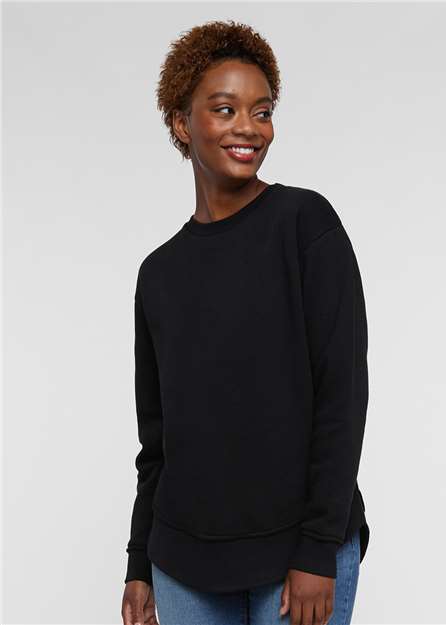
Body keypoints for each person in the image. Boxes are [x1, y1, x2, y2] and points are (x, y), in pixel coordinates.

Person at [121, 19, 370, 625]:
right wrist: (138, 563)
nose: (249, 128)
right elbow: (159, 439)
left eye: (262, 112)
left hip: (297, 556)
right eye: (225, 109)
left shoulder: (305, 225)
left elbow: (342, 395)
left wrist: (318, 548)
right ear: (182, 124)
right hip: (182, 563)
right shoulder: (159, 274)